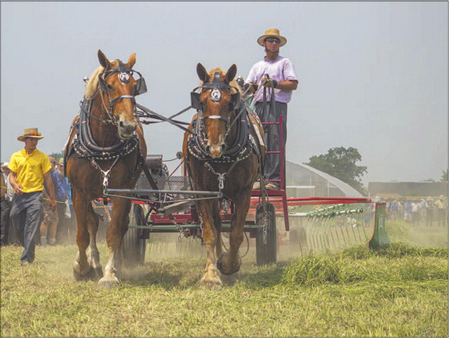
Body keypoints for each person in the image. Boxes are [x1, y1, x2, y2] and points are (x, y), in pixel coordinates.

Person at [244, 28, 298, 190]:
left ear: (279, 44)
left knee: (274, 142)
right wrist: (249, 87)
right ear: (264, 44)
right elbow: (249, 87)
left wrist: (275, 83)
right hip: (259, 105)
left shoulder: (284, 63)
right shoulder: (257, 66)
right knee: (256, 141)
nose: (274, 43)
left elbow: (293, 84)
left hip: (276, 105)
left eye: (276, 41)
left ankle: (273, 180)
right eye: (271, 41)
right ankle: (258, 177)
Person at [8, 127, 56, 265]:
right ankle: (30, 248)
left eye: (36, 140)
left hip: (36, 195)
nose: (34, 142)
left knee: (31, 226)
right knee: (14, 220)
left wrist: (52, 199)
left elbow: (48, 178)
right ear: (25, 140)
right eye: (31, 139)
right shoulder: (16, 156)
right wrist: (15, 185)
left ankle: (26, 259)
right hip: (19, 195)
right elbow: (11, 175)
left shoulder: (42, 157)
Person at [39, 156, 61, 246]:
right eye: (53, 162)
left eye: (55, 162)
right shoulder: (43, 173)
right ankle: (43, 241)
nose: (55, 164)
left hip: (53, 200)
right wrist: (47, 198)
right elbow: (42, 186)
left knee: (55, 220)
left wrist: (54, 199)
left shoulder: (54, 174)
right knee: (45, 220)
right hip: (45, 200)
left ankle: (52, 241)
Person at [1, 163, 14, 245]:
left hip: (8, 201)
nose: (7, 170)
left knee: (6, 221)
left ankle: (6, 241)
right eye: (5, 168)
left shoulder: (8, 177)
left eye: (8, 168)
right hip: (5, 200)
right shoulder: (3, 177)